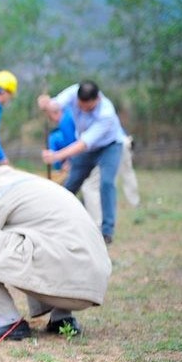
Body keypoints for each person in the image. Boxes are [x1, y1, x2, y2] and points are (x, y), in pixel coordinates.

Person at [0, 153, 112, 340]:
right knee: (38, 234)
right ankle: (61, 317)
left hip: (67, 275)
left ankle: (5, 319)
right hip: (93, 282)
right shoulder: (26, 182)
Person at [38, 80, 128, 244]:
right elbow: (56, 104)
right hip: (86, 148)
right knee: (70, 185)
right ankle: (51, 223)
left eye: (88, 107)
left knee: (106, 183)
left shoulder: (106, 113)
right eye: (80, 106)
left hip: (109, 146)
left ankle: (107, 231)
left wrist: (57, 156)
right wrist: (46, 104)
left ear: (97, 99)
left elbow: (83, 143)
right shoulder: (74, 92)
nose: (83, 110)